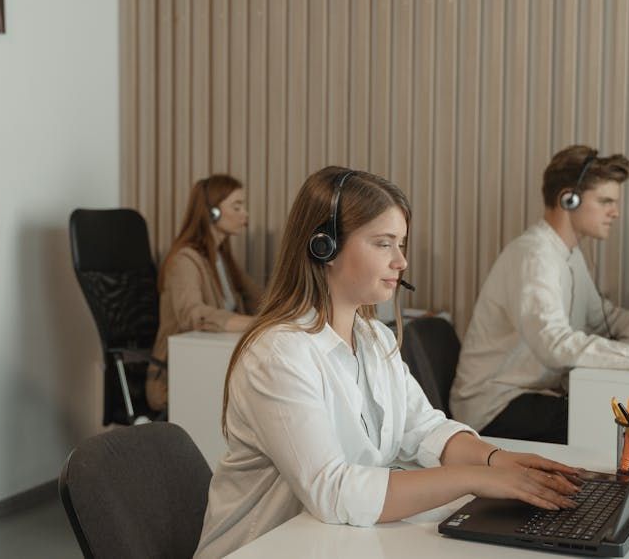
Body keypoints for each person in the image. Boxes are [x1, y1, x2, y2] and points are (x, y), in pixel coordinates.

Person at [195, 167, 582, 558]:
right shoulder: (280, 354)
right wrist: (476, 480)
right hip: (261, 548)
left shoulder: (373, 337)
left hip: (338, 544)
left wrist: (499, 460)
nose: (401, 262)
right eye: (384, 244)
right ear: (323, 247)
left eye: (401, 244)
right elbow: (334, 491)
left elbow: (423, 429)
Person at [450, 145, 629, 444]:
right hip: (495, 407)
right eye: (605, 201)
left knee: (627, 422)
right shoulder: (534, 256)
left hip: (532, 395)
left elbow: (605, 318)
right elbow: (554, 345)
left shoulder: (568, 255)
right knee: (617, 430)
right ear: (568, 199)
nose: (615, 212)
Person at [146, 174, 261, 412]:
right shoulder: (185, 260)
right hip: (175, 376)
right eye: (237, 206)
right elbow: (193, 314)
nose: (245, 215)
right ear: (212, 213)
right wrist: (257, 323)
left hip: (210, 364)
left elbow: (257, 297)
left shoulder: (222, 258)